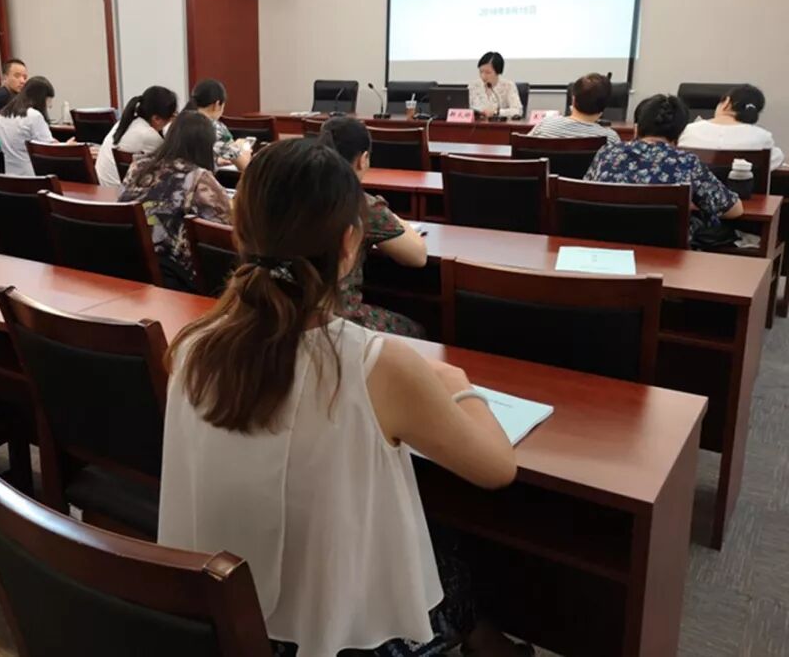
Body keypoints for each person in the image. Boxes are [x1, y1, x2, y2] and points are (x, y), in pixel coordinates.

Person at [158, 138, 524, 657]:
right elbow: (496, 468)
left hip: (224, 620)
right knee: (444, 537)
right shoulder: (376, 363)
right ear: (350, 244)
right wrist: (461, 386)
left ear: (238, 231)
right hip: (336, 639)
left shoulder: (190, 346)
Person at [319, 116, 427, 338]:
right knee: (417, 331)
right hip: (341, 321)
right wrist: (388, 213)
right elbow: (417, 256)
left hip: (291, 314)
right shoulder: (361, 204)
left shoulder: (296, 192)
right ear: (363, 159)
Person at [585, 94, 743, 240]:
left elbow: (585, 195)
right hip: (666, 253)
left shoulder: (607, 153)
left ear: (637, 127)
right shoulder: (686, 162)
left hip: (606, 245)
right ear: (679, 134)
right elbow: (734, 210)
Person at [118, 111, 232, 291]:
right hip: (174, 276)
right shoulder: (199, 177)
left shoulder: (138, 166)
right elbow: (228, 224)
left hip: (131, 264)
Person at [678, 84, 784, 168]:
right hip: (741, 190)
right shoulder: (763, 138)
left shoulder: (686, 131)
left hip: (695, 190)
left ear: (727, 102)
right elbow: (776, 160)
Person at [96, 86, 178, 187]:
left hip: (104, 188)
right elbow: (170, 161)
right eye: (171, 118)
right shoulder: (148, 135)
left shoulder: (125, 122)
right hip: (119, 191)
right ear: (156, 118)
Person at [528, 74, 621, 143]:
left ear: (573, 99)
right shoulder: (610, 138)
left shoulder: (546, 125)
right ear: (604, 106)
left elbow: (523, 151)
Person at [0, 76, 58, 176]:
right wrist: (68, 147)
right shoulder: (34, 116)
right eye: (48, 100)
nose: (50, 106)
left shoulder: (2, 115)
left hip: (9, 175)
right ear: (41, 98)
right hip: (32, 175)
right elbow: (49, 149)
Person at [186, 78, 252, 172]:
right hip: (201, 180)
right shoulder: (215, 128)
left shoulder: (180, 123)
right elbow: (245, 166)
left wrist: (216, 161)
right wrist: (244, 150)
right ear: (217, 104)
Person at [468, 52, 523, 120]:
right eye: (481, 72)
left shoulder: (508, 86)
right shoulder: (473, 86)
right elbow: (464, 109)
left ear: (498, 72)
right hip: (476, 124)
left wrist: (496, 112)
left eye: (488, 72)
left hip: (499, 125)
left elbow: (518, 111)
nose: (483, 76)